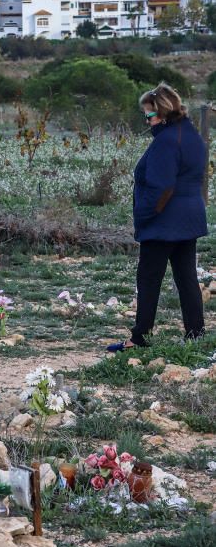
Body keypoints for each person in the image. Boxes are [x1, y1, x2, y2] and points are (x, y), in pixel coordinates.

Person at [108, 83, 207, 352]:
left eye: (149, 115)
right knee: (186, 278)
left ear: (162, 113)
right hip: (188, 218)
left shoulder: (166, 141)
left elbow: (162, 186)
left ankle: (140, 338)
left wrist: (143, 215)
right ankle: (196, 334)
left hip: (163, 221)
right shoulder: (190, 135)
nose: (147, 120)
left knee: (149, 279)